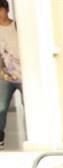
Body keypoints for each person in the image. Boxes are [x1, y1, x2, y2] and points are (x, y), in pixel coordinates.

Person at [0, 0, 22, 150]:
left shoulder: (17, 26)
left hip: (23, 75)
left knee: (31, 105)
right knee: (1, 107)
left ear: (6, 10)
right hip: (6, 76)